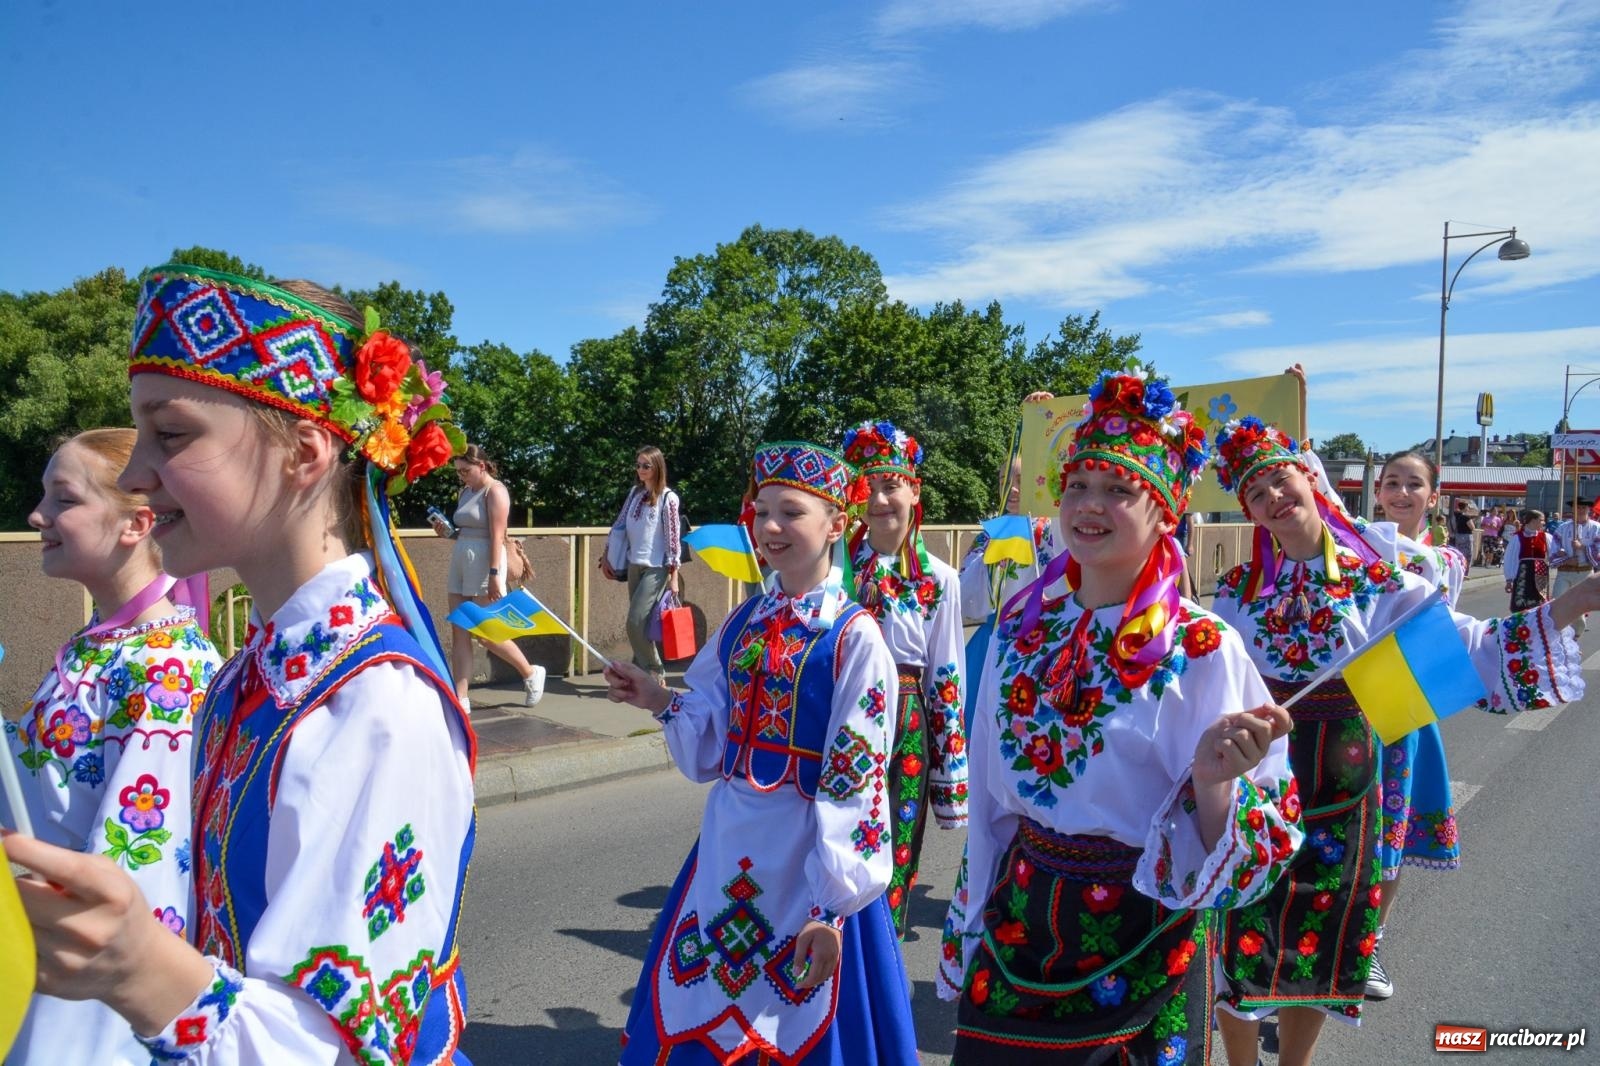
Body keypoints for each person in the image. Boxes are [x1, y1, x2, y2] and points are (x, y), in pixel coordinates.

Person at [2, 263, 477, 1064]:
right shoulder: (248, 675)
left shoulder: (376, 708)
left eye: (172, 433)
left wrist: (137, 965)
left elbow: (333, 1050)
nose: (135, 474)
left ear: (305, 453)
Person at [939, 369, 1302, 1065]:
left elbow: (1265, 819)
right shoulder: (1022, 629)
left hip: (1143, 933)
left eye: (1118, 489)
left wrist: (1214, 783)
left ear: (1165, 510)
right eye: (1078, 485)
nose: (1090, 504)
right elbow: (989, 793)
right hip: (1021, 924)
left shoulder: (1200, 647)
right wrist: (972, 917)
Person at [1208, 417, 1594, 1066]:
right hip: (1263, 795)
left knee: (1323, 950)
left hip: (1346, 799)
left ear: (1311, 479)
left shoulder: (1376, 583)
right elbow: (1199, 688)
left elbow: (1471, 653)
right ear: (1247, 510)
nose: (1274, 495)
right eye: (1256, 491)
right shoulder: (1237, 595)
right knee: (1239, 952)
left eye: (1282, 478)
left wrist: (1578, 599)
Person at [603, 441, 918, 1065]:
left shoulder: (856, 638)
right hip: (728, 848)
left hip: (807, 860)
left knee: (799, 1018)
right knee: (703, 1003)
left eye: (792, 512)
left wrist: (831, 906)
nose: (770, 526)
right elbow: (709, 734)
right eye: (762, 509)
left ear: (836, 524)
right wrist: (658, 699)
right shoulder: (745, 620)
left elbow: (858, 778)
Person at [3, 428, 222, 1066]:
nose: (37, 515)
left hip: (90, 996)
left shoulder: (165, 669)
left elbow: (141, 877)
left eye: (63, 499)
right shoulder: (99, 644)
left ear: (136, 524)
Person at [841, 419, 968, 936]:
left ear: (914, 491)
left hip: (907, 717)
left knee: (896, 841)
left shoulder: (940, 578)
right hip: (841, 711)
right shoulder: (833, 568)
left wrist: (951, 775)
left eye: (890, 485)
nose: (878, 499)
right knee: (837, 835)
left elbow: (947, 671)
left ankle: (882, 953)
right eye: (866, 486)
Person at [1362, 451, 1469, 1000]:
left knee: (1390, 836)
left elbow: (1428, 616)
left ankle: (1369, 945)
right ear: (1377, 491)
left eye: (1413, 484)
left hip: (1401, 709)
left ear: (1433, 494)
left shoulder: (1443, 559)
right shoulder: (1351, 545)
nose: (1401, 493)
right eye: (1392, 483)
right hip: (1344, 709)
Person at [431, 442, 546, 712]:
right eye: (458, 471)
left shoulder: (495, 491)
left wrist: (495, 574)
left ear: (481, 466)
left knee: (487, 633)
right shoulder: (465, 492)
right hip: (462, 559)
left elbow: (496, 536)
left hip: (486, 563)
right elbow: (466, 532)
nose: (462, 476)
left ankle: (530, 672)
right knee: (459, 630)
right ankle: (461, 697)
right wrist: (448, 532)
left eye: (465, 470)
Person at [600, 446, 681, 684]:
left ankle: (655, 669)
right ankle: (642, 672)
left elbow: (673, 539)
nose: (641, 470)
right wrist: (606, 554)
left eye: (646, 465)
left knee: (634, 621)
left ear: (657, 468)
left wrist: (673, 577)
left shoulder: (668, 498)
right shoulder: (635, 494)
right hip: (634, 564)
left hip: (656, 568)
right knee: (641, 623)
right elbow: (620, 524)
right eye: (638, 465)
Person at [1547, 495, 1600, 633]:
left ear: (1589, 509)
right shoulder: (1562, 528)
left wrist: (1582, 547)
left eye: (1584, 507)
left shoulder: (1596, 527)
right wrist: (1565, 558)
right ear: (1573, 510)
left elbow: (1598, 552)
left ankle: (1575, 638)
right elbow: (1553, 553)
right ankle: (1558, 636)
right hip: (1564, 572)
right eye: (1578, 507)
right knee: (1558, 602)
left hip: (1584, 572)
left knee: (1579, 610)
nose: (1581, 510)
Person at [1503, 508, 1550, 611]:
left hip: (1540, 572)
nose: (1544, 522)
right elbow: (1510, 558)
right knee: (1522, 600)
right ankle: (1521, 624)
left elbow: (1555, 552)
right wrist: (1509, 579)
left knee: (1539, 601)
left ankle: (1536, 623)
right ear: (1533, 520)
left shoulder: (1545, 536)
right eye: (1541, 520)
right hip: (1523, 572)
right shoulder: (1518, 538)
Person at [1449, 498, 1476, 565]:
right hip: (1466, 536)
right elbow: (1472, 527)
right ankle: (1466, 570)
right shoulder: (1466, 517)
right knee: (1468, 554)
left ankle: (1460, 566)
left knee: (1460, 553)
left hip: (1458, 536)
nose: (1468, 508)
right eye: (1468, 507)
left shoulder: (1456, 516)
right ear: (1465, 507)